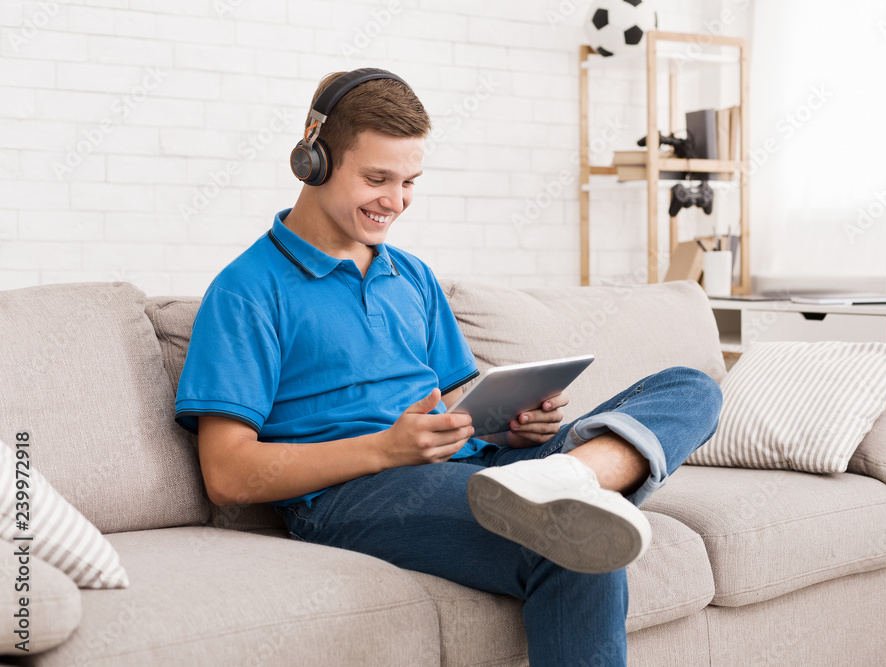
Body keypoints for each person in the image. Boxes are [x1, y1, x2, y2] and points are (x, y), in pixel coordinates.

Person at [174, 68, 722, 666]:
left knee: (690, 389)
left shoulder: (409, 275)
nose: (395, 200)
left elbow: (461, 404)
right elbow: (226, 475)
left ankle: (566, 477)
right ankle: (565, 491)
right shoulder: (247, 291)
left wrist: (509, 427)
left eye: (409, 181)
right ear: (314, 159)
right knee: (575, 540)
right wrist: (388, 448)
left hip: (481, 468)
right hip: (353, 496)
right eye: (376, 178)